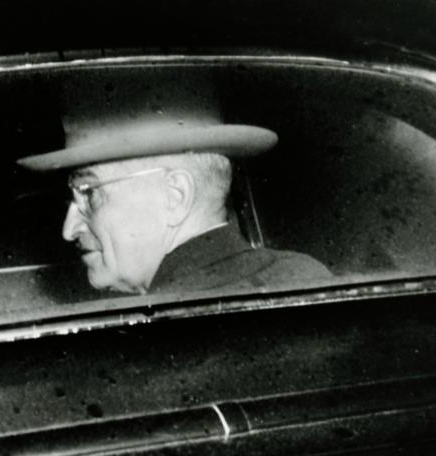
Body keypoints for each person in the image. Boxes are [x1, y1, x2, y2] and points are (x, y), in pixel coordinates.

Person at [17, 78, 330, 295]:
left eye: (90, 194)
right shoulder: (307, 275)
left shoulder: (146, 349)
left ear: (175, 196)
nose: (68, 229)